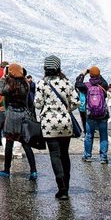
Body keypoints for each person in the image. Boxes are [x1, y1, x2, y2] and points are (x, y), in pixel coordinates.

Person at [34, 55, 80, 200]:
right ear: (58, 67)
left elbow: (37, 104)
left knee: (55, 155)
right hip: (65, 122)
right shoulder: (66, 82)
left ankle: (62, 189)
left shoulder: (42, 83)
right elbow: (77, 102)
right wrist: (66, 109)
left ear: (45, 68)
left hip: (49, 124)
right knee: (65, 154)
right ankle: (66, 186)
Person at [0, 63, 38, 180]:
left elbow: (0, 91)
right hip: (23, 115)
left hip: (11, 116)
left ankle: (6, 170)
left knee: (9, 144)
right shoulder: (26, 84)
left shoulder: (9, 85)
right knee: (26, 144)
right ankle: (33, 170)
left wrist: (4, 78)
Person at [75, 66, 110, 163]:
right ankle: (103, 157)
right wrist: (98, 74)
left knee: (89, 136)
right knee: (103, 136)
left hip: (90, 115)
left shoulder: (87, 86)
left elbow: (77, 83)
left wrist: (83, 73)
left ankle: (87, 156)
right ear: (99, 75)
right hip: (103, 114)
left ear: (90, 75)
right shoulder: (103, 85)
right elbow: (102, 80)